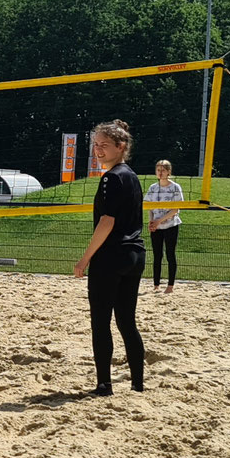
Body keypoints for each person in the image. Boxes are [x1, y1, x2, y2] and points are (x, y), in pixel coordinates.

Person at [73, 120, 147, 395]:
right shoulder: (132, 175)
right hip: (135, 254)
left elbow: (107, 221)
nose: (98, 150)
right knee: (127, 321)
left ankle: (104, 384)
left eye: (104, 145)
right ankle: (138, 384)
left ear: (121, 147)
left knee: (101, 321)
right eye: (95, 145)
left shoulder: (112, 177)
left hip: (112, 256)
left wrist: (85, 259)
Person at [146, 159, 183, 294]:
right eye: (158, 170)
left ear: (169, 172)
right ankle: (156, 285)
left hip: (171, 225)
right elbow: (149, 207)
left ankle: (170, 285)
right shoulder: (152, 188)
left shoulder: (175, 187)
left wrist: (159, 221)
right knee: (157, 255)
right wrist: (151, 222)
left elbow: (176, 209)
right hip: (156, 226)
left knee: (170, 254)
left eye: (163, 170)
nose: (160, 173)